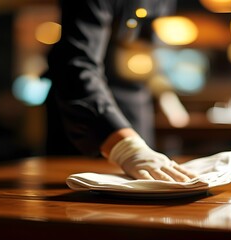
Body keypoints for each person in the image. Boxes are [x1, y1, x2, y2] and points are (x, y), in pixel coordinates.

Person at [43, 0, 196, 182]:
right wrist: (126, 148)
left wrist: (163, 92)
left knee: (144, 190)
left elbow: (143, 46)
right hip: (86, 117)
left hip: (136, 106)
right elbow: (75, 66)